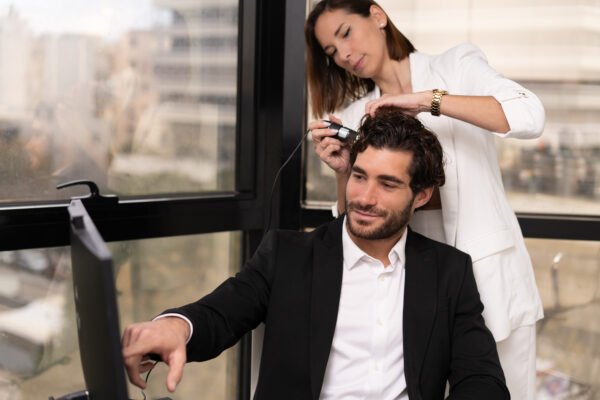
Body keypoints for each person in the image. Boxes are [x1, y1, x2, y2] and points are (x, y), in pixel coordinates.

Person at [122, 108, 509, 399]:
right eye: (359, 176)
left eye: (387, 184)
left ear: (420, 196)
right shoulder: (288, 254)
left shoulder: (449, 270)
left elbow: (480, 375)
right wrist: (174, 326)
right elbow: (220, 313)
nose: (364, 198)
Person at [305, 1, 544, 398]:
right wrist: (343, 172)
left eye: (346, 33)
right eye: (331, 51)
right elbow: (355, 229)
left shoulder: (456, 65)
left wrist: (425, 100)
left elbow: (529, 115)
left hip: (493, 286)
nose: (344, 54)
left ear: (377, 15)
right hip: (413, 296)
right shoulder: (353, 115)